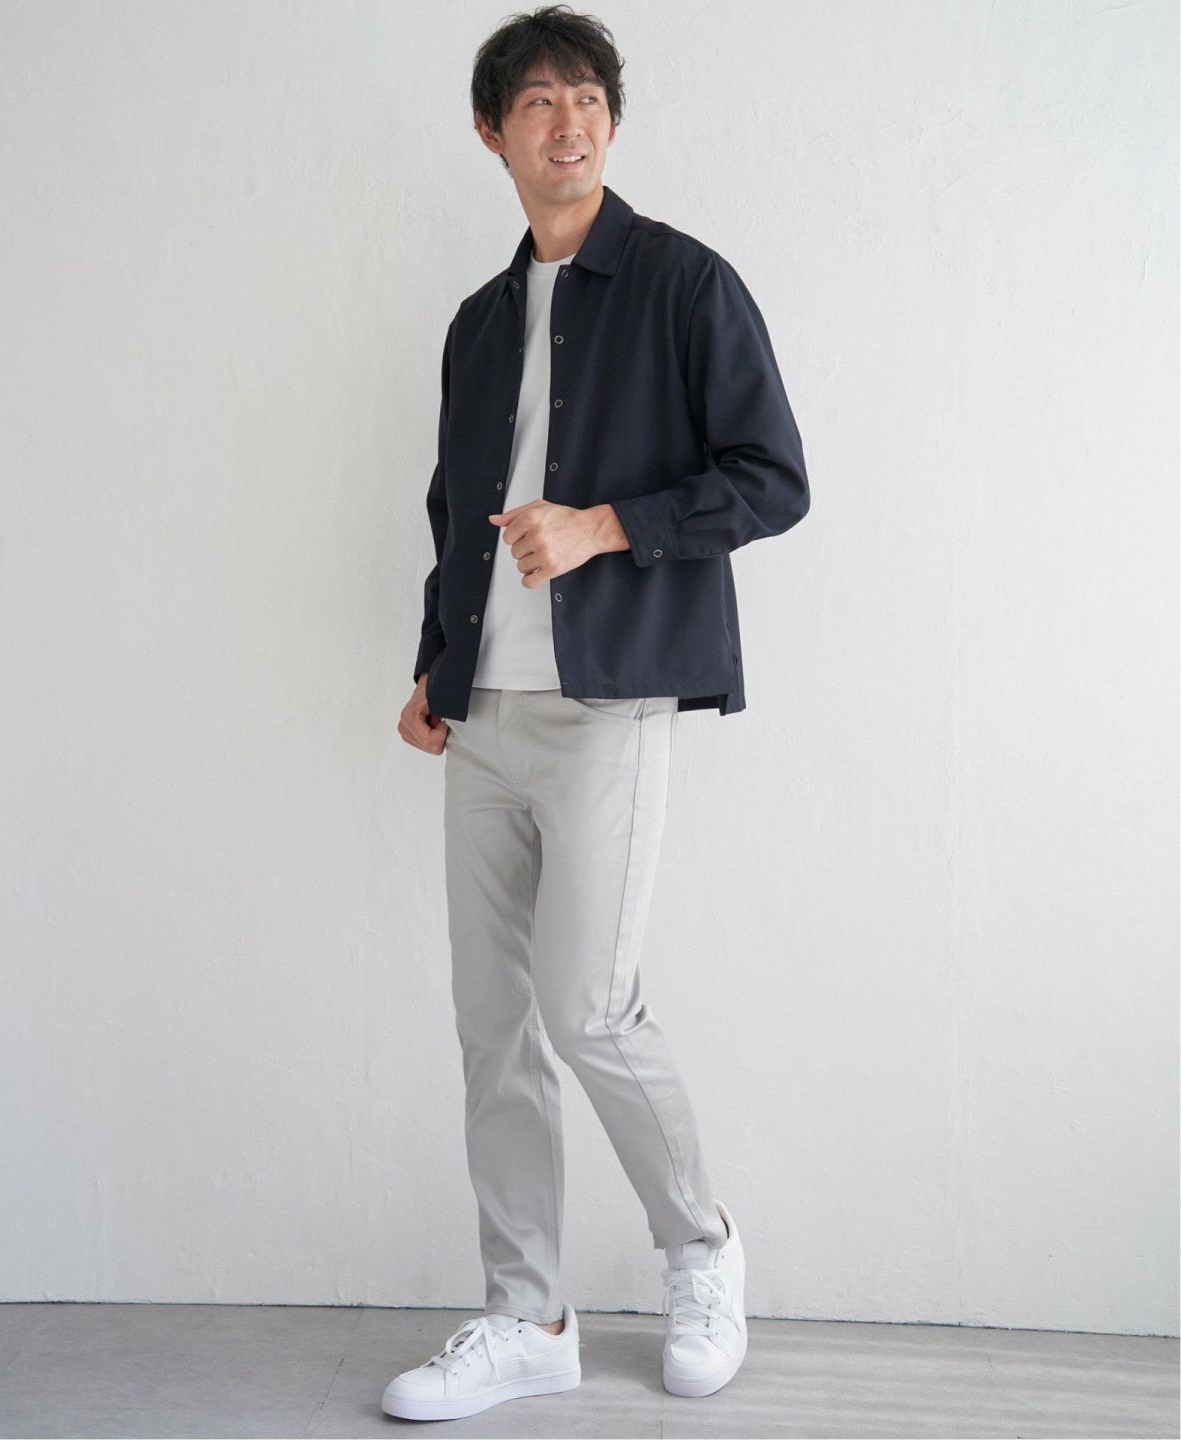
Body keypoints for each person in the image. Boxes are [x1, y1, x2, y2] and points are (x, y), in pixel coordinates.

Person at [389, 3, 809, 1422]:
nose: (566, 121)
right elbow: (453, 511)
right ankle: (529, 1317)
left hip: (609, 703)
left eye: (587, 98)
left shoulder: (687, 285)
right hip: (483, 715)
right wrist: (435, 665)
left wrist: (608, 524)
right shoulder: (478, 321)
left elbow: (774, 477)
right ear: (493, 133)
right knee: (492, 1026)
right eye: (537, 101)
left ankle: (702, 1246)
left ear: (611, 124)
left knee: (589, 1009)